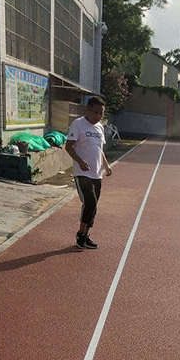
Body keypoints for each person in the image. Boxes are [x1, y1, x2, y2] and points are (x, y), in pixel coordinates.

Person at [65, 96, 112, 249]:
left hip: (97, 174)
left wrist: (106, 166)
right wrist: (80, 162)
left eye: (102, 113)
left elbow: (99, 150)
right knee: (89, 202)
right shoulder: (78, 124)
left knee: (94, 206)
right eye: (96, 112)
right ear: (88, 110)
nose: (99, 116)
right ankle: (80, 234)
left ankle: (86, 235)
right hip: (82, 173)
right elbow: (69, 147)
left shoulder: (100, 127)